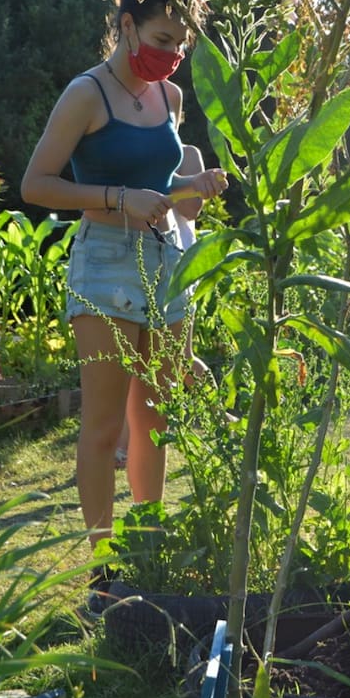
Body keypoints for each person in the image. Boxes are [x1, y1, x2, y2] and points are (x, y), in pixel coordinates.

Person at [20, 0, 228, 561]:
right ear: (127, 26)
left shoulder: (170, 97)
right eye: (164, 40)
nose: (174, 55)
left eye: (182, 43)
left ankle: (149, 549)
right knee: (104, 426)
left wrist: (195, 184)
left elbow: (159, 184)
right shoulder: (86, 93)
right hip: (105, 264)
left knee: (153, 420)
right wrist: (116, 199)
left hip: (165, 261)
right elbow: (36, 185)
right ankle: (103, 566)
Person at [114, 143, 212, 469]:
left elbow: (194, 209)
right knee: (132, 359)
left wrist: (171, 179)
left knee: (182, 357)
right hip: (137, 262)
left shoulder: (188, 152)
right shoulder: (131, 145)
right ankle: (124, 445)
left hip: (179, 264)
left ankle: (219, 414)